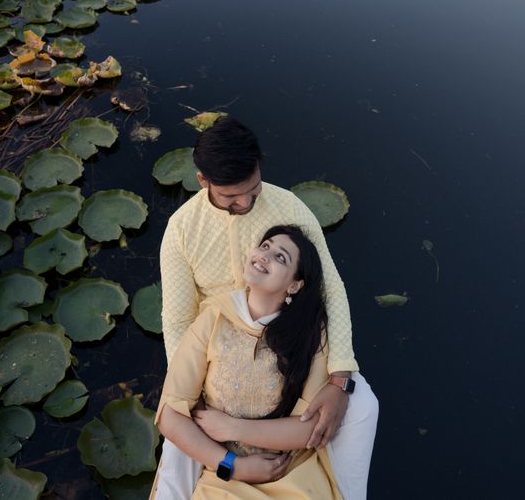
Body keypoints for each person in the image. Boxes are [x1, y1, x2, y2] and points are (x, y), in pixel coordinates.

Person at [155, 117, 377, 499]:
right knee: (180, 442)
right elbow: (177, 320)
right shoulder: (181, 230)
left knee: (362, 406)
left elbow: (330, 288)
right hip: (215, 342)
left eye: (253, 190)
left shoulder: (286, 206)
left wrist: (341, 378)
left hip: (288, 329)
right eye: (232, 197)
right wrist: (193, 387)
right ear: (203, 181)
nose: (246, 203)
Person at [153, 226, 341, 499]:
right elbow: (171, 414)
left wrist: (233, 427)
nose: (265, 255)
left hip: (289, 474)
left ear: (295, 285)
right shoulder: (215, 317)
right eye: (265, 246)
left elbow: (309, 428)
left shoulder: (310, 333)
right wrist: (233, 465)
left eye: (281, 258)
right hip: (223, 477)